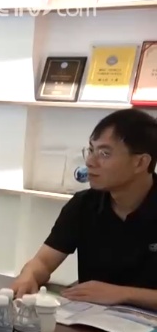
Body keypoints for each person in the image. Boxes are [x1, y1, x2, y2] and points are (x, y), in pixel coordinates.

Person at [12, 109, 157, 311]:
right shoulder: (84, 204)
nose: (90, 162)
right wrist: (29, 275)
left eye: (104, 154)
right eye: (91, 150)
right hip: (90, 318)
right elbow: (43, 262)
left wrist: (122, 294)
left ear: (140, 162)